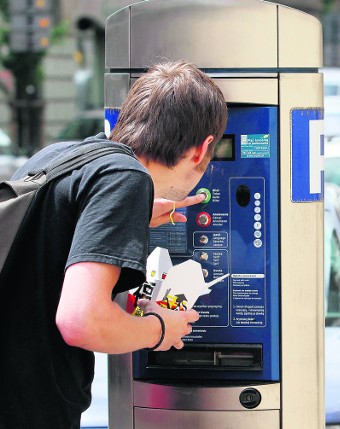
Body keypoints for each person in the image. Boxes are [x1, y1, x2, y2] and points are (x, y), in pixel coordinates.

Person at [0, 60, 227, 428]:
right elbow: (80, 320)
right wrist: (160, 329)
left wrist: (129, 217)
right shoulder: (125, 179)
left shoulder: (61, 156)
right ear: (201, 150)